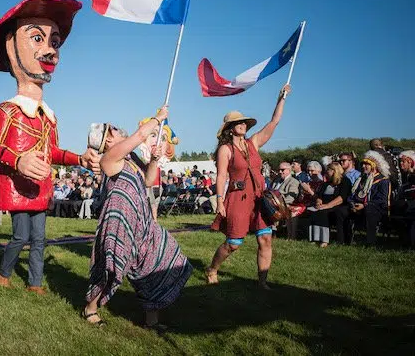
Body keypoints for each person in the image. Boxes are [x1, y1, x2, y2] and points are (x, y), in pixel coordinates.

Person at [0, 0, 100, 295]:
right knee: (20, 236)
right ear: (11, 49)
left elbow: (52, 151)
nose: (50, 50)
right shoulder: (7, 110)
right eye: (37, 38)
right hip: (17, 186)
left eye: (54, 42)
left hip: (39, 186)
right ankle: (4, 271)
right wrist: (19, 161)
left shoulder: (48, 116)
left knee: (40, 238)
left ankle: (35, 282)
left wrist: (79, 158)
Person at [83, 107, 192, 330]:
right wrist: (158, 118)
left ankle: (151, 321)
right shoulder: (109, 158)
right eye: (111, 129)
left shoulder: (131, 157)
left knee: (159, 260)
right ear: (107, 142)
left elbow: (149, 180)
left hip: (142, 221)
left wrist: (153, 159)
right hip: (118, 223)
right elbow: (140, 135)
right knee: (111, 267)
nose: (116, 127)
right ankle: (90, 308)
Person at [207, 84, 291, 290]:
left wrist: (282, 98)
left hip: (259, 197)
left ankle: (262, 282)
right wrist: (219, 200)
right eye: (238, 123)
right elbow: (221, 176)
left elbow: (274, 122)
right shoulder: (225, 149)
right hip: (237, 197)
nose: (243, 124)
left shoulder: (253, 142)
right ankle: (213, 269)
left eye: (244, 122)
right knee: (233, 243)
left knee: (265, 239)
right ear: (229, 128)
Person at [348, 151, 391, 245]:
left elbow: (381, 200)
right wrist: (352, 204)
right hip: (359, 206)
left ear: (374, 166)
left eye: (367, 164)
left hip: (377, 209)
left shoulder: (383, 180)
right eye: (363, 164)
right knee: (343, 210)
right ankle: (345, 239)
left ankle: (370, 242)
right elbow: (354, 194)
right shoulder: (361, 179)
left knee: (369, 211)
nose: (363, 166)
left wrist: (364, 205)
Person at [310, 162, 351, 247]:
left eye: (328, 170)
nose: (326, 172)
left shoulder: (345, 181)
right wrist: (318, 201)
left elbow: (341, 198)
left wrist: (327, 205)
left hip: (339, 205)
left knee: (323, 212)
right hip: (325, 205)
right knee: (314, 211)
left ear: (334, 171)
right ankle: (316, 238)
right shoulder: (326, 183)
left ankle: (325, 240)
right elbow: (319, 196)